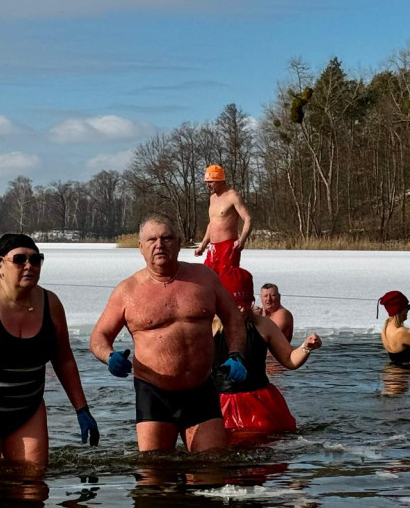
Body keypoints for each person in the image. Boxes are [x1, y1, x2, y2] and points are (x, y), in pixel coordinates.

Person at [0, 234, 99, 473]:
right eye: (20, 259)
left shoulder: (51, 303)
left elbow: (64, 359)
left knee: (33, 485)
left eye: (36, 260)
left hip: (28, 409)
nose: (29, 266)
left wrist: (82, 409)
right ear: (1, 265)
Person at [91, 214, 248, 452]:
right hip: (154, 392)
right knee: (155, 477)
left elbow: (234, 320)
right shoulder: (128, 291)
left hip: (201, 387)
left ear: (179, 241)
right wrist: (109, 357)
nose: (159, 244)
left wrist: (236, 354)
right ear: (140, 247)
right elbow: (99, 337)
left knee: (211, 469)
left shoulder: (204, 278)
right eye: (152, 239)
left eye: (166, 238)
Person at [213, 267, 322, 435]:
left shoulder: (263, 325)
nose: (241, 310)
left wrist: (305, 347)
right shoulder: (209, 327)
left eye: (246, 303)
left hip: (259, 402)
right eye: (236, 304)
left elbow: (289, 360)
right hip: (220, 402)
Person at [193, 164, 252, 274]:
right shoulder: (212, 198)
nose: (207, 185)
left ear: (220, 181)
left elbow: (248, 218)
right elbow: (212, 223)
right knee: (207, 278)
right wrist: (203, 244)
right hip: (213, 248)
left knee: (226, 281)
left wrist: (242, 239)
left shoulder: (233, 196)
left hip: (228, 246)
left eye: (211, 182)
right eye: (206, 182)